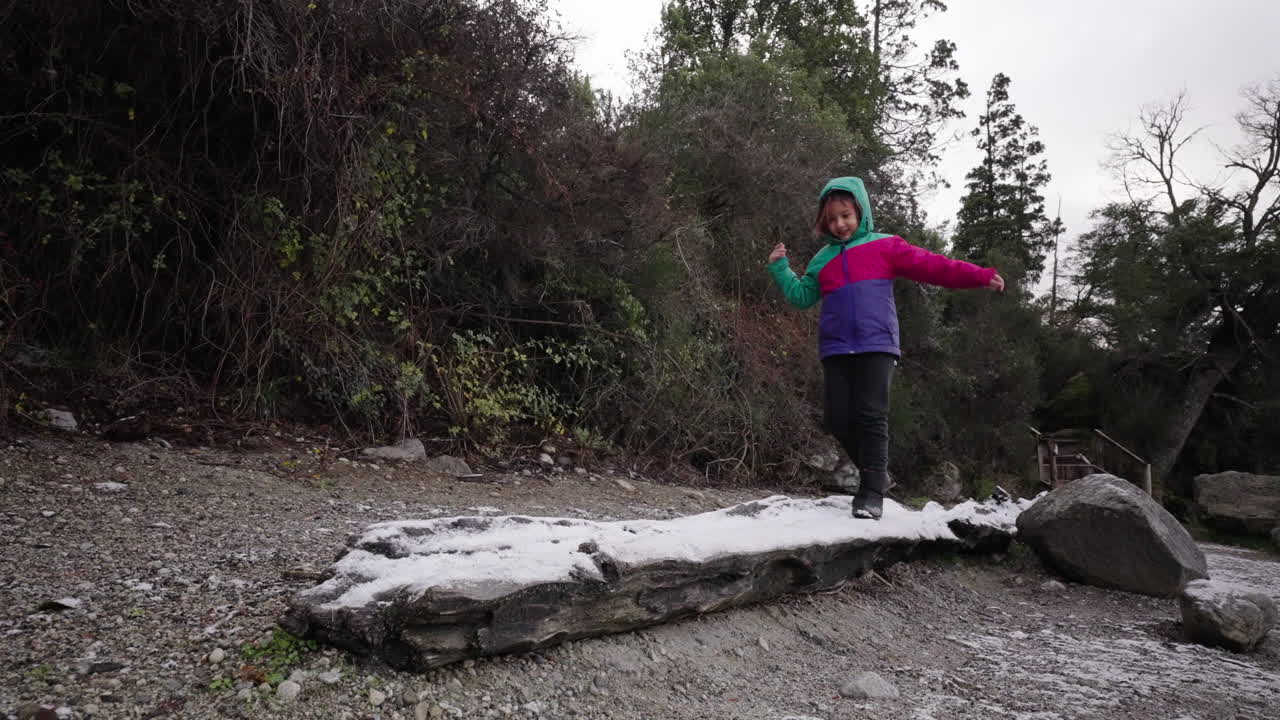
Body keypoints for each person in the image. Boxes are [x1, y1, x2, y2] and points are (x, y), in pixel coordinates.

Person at [766, 177, 1004, 520]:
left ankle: (871, 493)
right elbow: (802, 296)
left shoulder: (886, 246)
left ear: (860, 211)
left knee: (871, 416)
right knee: (836, 419)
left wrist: (978, 275)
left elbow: (934, 266)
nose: (839, 224)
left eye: (845, 215)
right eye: (832, 219)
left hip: (876, 343)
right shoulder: (822, 260)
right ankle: (876, 473)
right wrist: (780, 268)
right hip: (835, 348)